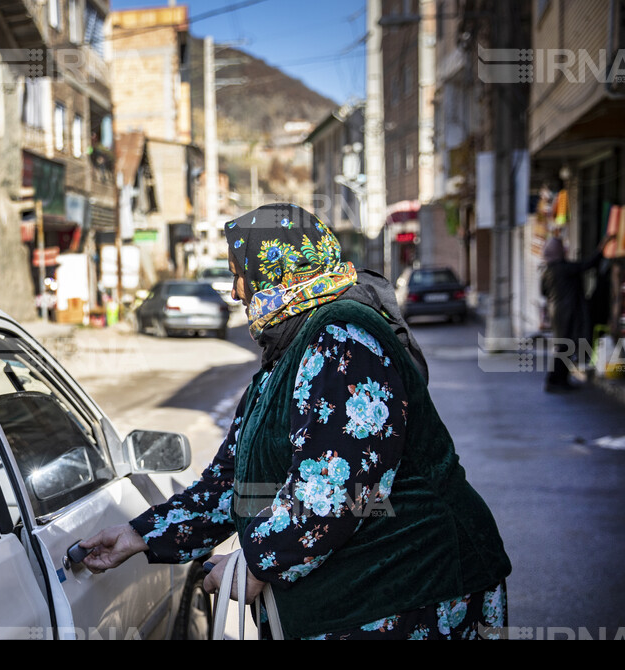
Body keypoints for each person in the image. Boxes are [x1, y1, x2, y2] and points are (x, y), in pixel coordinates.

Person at [80, 204, 511, 639]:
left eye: (240, 276)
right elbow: (236, 483)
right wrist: (141, 535)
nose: (235, 293)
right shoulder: (290, 348)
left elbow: (337, 493)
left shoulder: (343, 339)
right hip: (361, 597)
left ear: (278, 270)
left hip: (414, 591)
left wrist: (255, 561)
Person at [540, 234, 611, 392]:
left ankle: (560, 380)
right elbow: (587, 265)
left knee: (564, 347)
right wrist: (602, 246)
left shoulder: (547, 271)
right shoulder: (562, 269)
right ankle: (555, 381)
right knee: (566, 347)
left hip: (557, 312)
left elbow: (544, 292)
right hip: (567, 313)